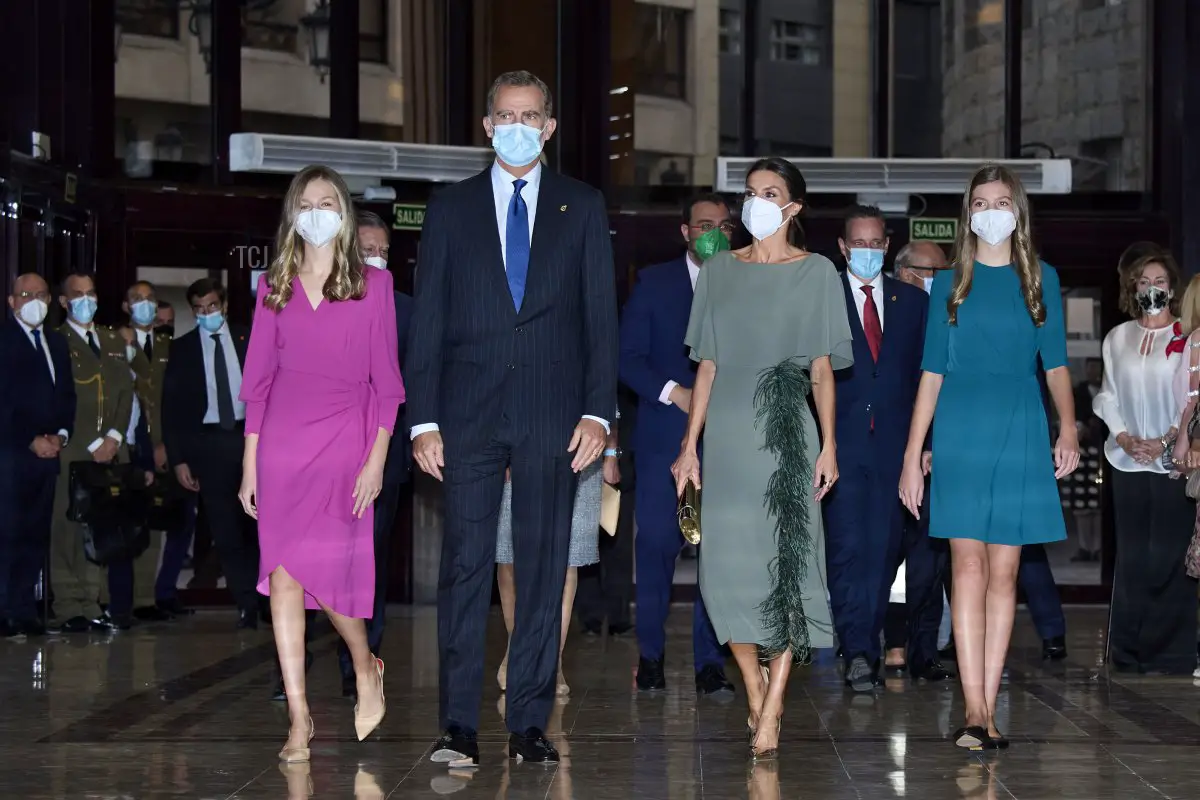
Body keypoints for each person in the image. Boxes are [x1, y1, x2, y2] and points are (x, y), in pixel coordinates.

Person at [408, 70, 618, 768]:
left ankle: (529, 721)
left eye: (532, 115)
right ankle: (457, 725)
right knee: (466, 568)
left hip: (556, 418)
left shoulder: (582, 206)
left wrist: (599, 412)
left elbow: (599, 318)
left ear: (550, 126)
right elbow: (428, 323)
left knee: (541, 569)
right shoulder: (449, 208)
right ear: (488, 124)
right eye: (507, 115)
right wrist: (423, 420)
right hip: (465, 419)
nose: (519, 125)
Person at [671, 157, 853, 760]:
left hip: (788, 437)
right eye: (750, 192)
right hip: (726, 435)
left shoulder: (819, 272)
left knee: (789, 568)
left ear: (794, 207)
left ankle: (774, 708)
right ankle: (753, 686)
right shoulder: (720, 271)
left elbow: (823, 371)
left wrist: (828, 444)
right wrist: (688, 446)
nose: (757, 202)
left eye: (771, 193)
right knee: (725, 574)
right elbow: (708, 366)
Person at [898, 163, 1079, 750]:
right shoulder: (948, 284)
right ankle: (974, 709)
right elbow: (931, 371)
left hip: (1021, 426)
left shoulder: (1041, 279)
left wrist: (1069, 428)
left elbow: (1054, 364)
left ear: (1018, 211)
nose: (991, 211)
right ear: (968, 212)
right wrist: (912, 453)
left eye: (1002, 201)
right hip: (961, 430)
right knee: (966, 566)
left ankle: (989, 705)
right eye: (981, 201)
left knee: (1005, 573)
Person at [237, 165, 404, 761]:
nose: (316, 210)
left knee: (328, 579)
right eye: (306, 202)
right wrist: (250, 464)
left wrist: (377, 460)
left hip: (344, 443)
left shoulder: (374, 288)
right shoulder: (273, 286)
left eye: (327, 201)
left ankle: (365, 663)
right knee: (283, 576)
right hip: (281, 444)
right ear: (292, 212)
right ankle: (300, 719)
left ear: (344, 210)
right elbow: (256, 383)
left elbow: (388, 386)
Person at [825, 207, 946, 690]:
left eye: (877, 243)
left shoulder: (912, 302)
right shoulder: (823, 296)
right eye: (860, 243)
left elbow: (929, 379)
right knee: (844, 550)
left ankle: (863, 644)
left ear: (887, 246)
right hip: (839, 446)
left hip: (897, 450)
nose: (869, 251)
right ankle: (855, 647)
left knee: (881, 552)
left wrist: (926, 446)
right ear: (842, 246)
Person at [619, 192, 733, 695]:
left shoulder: (748, 283)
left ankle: (712, 663)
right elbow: (628, 358)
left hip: (728, 442)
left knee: (719, 555)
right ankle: (651, 657)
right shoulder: (654, 283)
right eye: (704, 224)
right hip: (665, 437)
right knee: (659, 547)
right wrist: (675, 393)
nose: (715, 233)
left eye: (724, 226)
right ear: (686, 232)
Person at [1098, 246, 1193, 674]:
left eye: (1158, 281)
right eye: (1143, 281)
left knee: (1169, 554)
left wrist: (1165, 440)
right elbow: (1107, 394)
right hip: (1126, 459)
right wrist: (1125, 436)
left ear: (1172, 287)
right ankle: (1127, 650)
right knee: (1133, 554)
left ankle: (1169, 651)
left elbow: (1192, 398)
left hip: (1174, 460)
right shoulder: (1117, 337)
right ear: (1131, 288)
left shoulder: (1186, 336)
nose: (1151, 288)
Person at [335, 210, 414, 699]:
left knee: (370, 560)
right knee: (319, 561)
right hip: (328, 455)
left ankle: (361, 662)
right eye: (367, 250)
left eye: (383, 251)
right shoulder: (323, 302)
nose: (376, 258)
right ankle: (292, 659)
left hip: (387, 458)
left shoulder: (408, 309)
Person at [161, 279, 261, 629]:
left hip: (251, 441)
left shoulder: (249, 339)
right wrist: (179, 460)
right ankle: (246, 602)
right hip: (209, 446)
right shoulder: (184, 349)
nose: (207, 314)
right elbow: (170, 410)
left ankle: (267, 599)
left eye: (212, 307)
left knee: (258, 525)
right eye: (200, 310)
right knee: (226, 528)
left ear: (225, 305)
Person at [494, 419, 615, 697]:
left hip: (582, 441)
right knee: (509, 551)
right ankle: (518, 649)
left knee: (566, 557)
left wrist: (611, 451)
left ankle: (552, 661)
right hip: (515, 435)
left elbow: (604, 385)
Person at [49, 272, 136, 634]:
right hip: (74, 450)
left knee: (99, 528)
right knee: (68, 527)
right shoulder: (57, 341)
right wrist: (90, 442)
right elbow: (61, 398)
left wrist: (114, 436)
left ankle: (92, 600)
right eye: (78, 295)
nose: (87, 300)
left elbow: (124, 392)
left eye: (91, 293)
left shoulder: (112, 339)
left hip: (110, 450)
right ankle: (69, 605)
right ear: (64, 302)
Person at [0, 274, 75, 638]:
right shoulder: (3, 340)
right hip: (12, 454)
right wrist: (30, 440)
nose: (34, 301)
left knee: (34, 533)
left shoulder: (57, 344)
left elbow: (66, 396)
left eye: (42, 294)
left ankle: (23, 609)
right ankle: (3, 610)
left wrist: (61, 435)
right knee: (7, 533)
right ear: (11, 301)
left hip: (49, 455)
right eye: (26, 294)